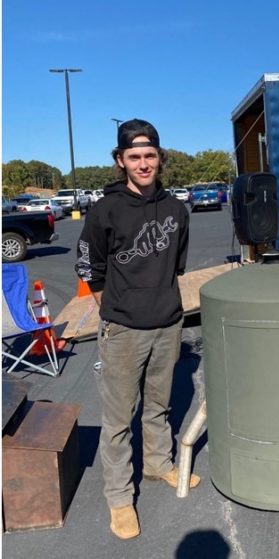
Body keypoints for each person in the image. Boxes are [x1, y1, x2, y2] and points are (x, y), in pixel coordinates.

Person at [75, 119, 196, 540]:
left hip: (168, 323)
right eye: (134, 157)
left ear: (160, 159)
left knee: (159, 406)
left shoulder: (177, 210)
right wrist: (113, 312)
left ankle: (159, 463)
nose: (143, 164)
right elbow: (90, 269)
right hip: (124, 329)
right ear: (120, 161)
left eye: (149, 156)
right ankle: (120, 497)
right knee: (119, 419)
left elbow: (175, 266)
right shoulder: (105, 210)